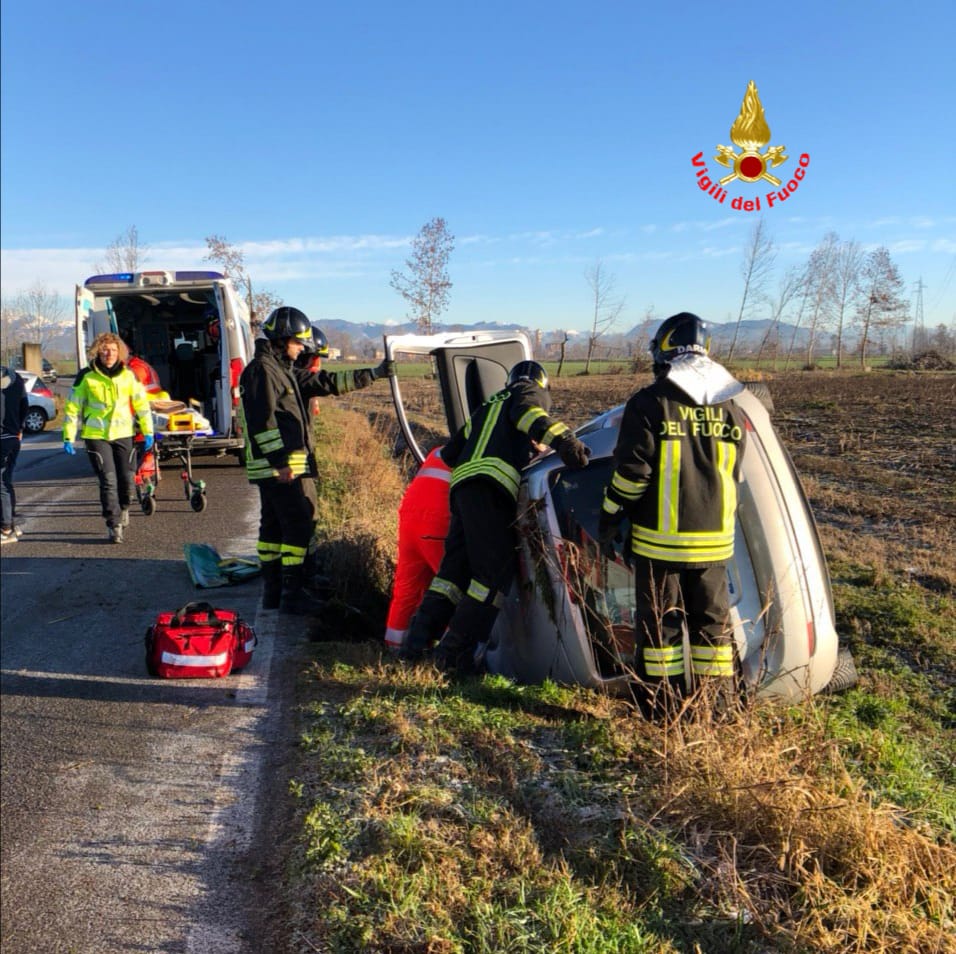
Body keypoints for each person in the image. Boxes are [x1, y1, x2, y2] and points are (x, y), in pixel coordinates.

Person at [597, 312, 747, 718]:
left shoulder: (650, 403)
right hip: (716, 547)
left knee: (660, 632)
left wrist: (609, 515)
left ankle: (663, 713)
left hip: (661, 546)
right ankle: (714, 711)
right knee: (711, 632)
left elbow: (632, 475)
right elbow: (735, 476)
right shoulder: (731, 409)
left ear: (665, 350)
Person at [406, 359, 590, 674]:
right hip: (491, 488)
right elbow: (531, 415)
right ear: (540, 383)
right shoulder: (529, 391)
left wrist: (510, 443)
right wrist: (566, 443)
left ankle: (414, 648)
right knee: (491, 578)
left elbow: (450, 453)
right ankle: (453, 658)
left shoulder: (487, 406)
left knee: (451, 577)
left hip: (463, 489)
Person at [240, 306, 394, 617]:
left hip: (280, 467)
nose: (302, 349)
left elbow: (326, 382)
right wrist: (280, 462)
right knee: (299, 526)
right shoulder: (261, 371)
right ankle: (293, 595)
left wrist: (374, 374)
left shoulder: (281, 369)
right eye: (298, 342)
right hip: (282, 468)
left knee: (272, 531)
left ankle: (274, 592)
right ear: (283, 339)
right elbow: (263, 423)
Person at [63, 333, 155, 543]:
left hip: (124, 434)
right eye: (105, 350)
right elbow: (72, 407)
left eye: (113, 350)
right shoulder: (86, 376)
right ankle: (114, 525)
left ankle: (124, 508)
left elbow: (141, 403)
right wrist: (68, 435)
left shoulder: (128, 374)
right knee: (108, 481)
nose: (109, 354)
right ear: (98, 351)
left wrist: (148, 431)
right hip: (96, 436)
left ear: (119, 352)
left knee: (126, 480)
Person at [385, 445, 452, 656]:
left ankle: (393, 648)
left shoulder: (438, 452)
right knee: (453, 589)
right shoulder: (473, 453)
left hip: (409, 519)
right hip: (438, 522)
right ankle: (448, 653)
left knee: (406, 588)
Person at [1, 364, 29, 545]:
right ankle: (10, 522)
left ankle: (6, 529)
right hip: (12, 436)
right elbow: (25, 405)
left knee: (1, 483)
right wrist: (20, 427)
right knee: (5, 481)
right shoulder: (15, 377)